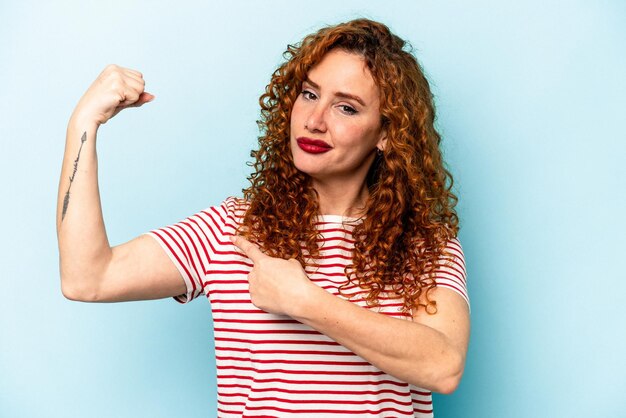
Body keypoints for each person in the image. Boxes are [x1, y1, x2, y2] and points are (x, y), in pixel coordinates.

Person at [57, 18, 469, 418]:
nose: (314, 120)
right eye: (309, 94)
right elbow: (88, 278)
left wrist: (305, 301)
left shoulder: (425, 244)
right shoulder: (231, 229)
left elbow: (443, 365)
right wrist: (83, 123)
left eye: (346, 107)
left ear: (385, 134)